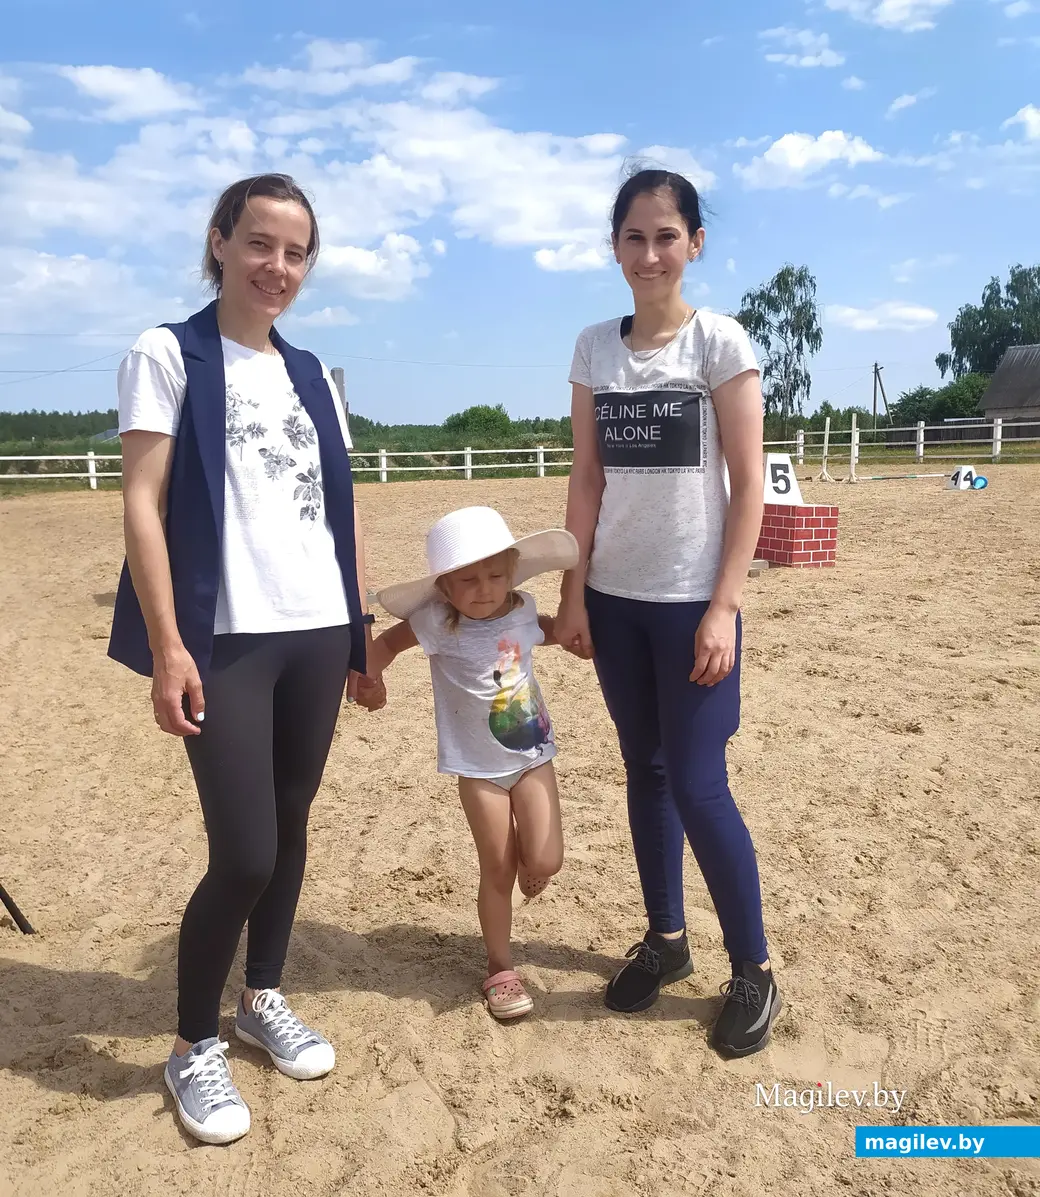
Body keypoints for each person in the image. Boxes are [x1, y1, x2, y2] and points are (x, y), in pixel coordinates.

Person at [108, 173, 386, 1144]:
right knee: (245, 852)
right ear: (220, 242)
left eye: (296, 252)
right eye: (260, 244)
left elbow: (336, 511)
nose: (278, 267)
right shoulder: (168, 353)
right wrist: (169, 645)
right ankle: (191, 1046)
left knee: (294, 828)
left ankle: (259, 998)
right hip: (222, 638)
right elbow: (141, 502)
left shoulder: (311, 374)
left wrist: (359, 634)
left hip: (315, 629)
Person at [554, 167, 781, 1058]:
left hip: (693, 603)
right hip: (614, 601)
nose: (650, 254)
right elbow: (586, 477)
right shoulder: (592, 348)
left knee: (698, 780)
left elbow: (750, 480)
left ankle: (754, 968)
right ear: (615, 246)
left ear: (694, 244)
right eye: (633, 237)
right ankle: (667, 940)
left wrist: (725, 603)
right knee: (643, 773)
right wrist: (572, 590)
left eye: (666, 236)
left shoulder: (720, 343)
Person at [367, 506, 577, 1020]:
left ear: (512, 573)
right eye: (468, 580)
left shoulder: (523, 610)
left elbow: (549, 629)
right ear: (445, 588)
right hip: (478, 769)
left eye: (495, 575)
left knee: (545, 860)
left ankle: (535, 867)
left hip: (531, 755)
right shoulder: (435, 623)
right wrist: (369, 679)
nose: (484, 588)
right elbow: (384, 647)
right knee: (498, 868)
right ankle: (500, 969)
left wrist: (577, 639)